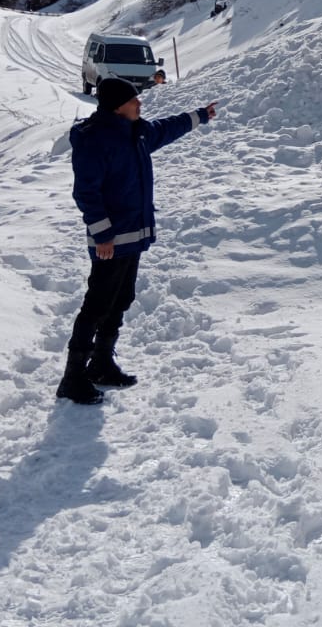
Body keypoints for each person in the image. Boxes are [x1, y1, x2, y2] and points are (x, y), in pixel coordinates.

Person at [58, 76, 217, 405]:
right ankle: (72, 379)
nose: (139, 105)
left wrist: (200, 115)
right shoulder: (94, 140)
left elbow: (166, 128)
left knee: (121, 299)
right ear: (118, 107)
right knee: (97, 305)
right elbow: (86, 192)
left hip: (133, 235)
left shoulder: (137, 132)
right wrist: (102, 233)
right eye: (134, 101)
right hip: (110, 241)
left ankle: (101, 364)